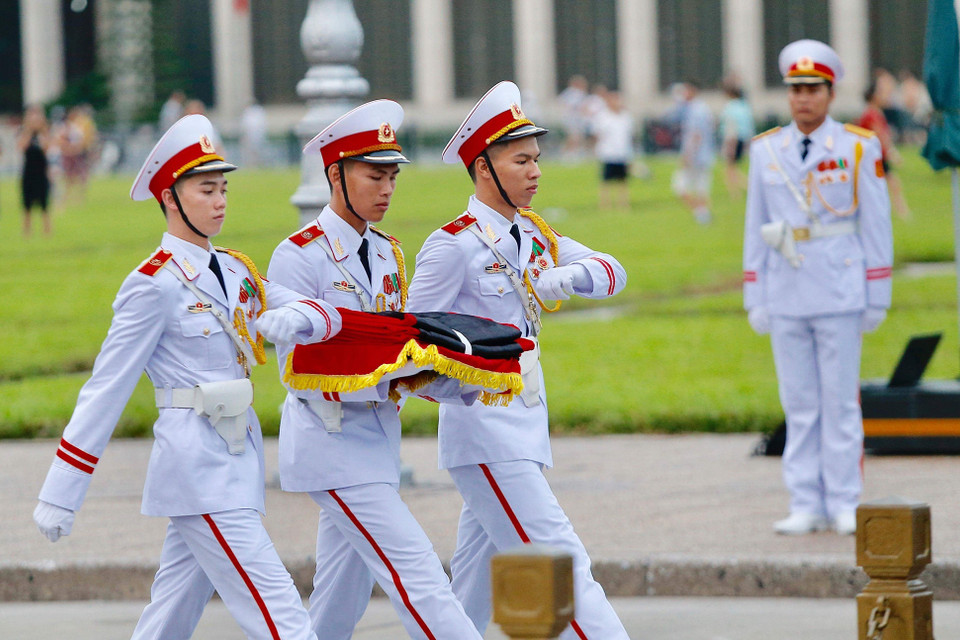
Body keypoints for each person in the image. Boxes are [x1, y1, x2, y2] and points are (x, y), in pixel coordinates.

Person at [32, 114, 343, 640]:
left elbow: (323, 310)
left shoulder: (235, 269)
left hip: (235, 461)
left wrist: (301, 319)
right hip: (198, 467)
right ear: (171, 199)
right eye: (206, 189)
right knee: (282, 615)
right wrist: (62, 491)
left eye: (223, 187)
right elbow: (106, 388)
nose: (220, 200)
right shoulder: (152, 284)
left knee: (170, 616)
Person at [407, 81, 630, 639]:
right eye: (521, 160)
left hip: (526, 424)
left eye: (537, 159)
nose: (535, 172)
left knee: (472, 593)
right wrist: (463, 388)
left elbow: (613, 272)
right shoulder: (452, 245)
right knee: (561, 565)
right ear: (484, 167)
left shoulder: (532, 233)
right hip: (485, 430)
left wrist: (571, 274)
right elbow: (410, 346)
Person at [266, 100, 484, 640]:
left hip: (378, 439)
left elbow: (400, 347)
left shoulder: (387, 252)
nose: (387, 188)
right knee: (419, 574)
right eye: (374, 175)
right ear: (335, 174)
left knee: (339, 601)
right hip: (331, 439)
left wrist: (458, 377)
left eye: (392, 176)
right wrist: (388, 362)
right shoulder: (299, 255)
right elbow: (298, 364)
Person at [743, 40, 893, 536]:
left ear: (830, 93)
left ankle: (846, 499)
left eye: (813, 89)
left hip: (839, 284)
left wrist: (878, 291)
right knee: (800, 403)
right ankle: (805, 500)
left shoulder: (856, 145)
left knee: (840, 402)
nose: (803, 99)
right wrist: (754, 292)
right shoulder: (767, 150)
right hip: (786, 287)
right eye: (796, 90)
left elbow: (875, 224)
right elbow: (756, 228)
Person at [859, 75, 911, 219]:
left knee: (890, 183)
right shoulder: (872, 114)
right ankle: (900, 211)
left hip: (876, 155)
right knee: (889, 183)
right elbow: (880, 135)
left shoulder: (873, 112)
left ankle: (899, 210)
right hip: (874, 156)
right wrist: (891, 152)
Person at [672, 81, 716, 224]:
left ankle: (701, 214)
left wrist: (688, 154)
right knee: (701, 188)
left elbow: (696, 134)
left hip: (696, 155)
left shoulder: (695, 110)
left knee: (680, 187)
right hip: (705, 154)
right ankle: (703, 214)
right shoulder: (702, 108)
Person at [592, 90, 635, 210]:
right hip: (608, 153)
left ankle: (623, 203)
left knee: (623, 180)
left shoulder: (626, 117)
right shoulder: (603, 117)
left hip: (622, 152)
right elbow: (597, 134)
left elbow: (629, 136)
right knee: (606, 180)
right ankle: (605, 204)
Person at [18, 104, 52, 236]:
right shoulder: (24, 132)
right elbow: (22, 146)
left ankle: (47, 231)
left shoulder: (44, 133)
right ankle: (27, 231)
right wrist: (28, 129)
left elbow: (47, 148)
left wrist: (42, 130)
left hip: (42, 171)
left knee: (45, 204)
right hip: (28, 172)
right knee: (27, 205)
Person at [719, 79, 755, 198]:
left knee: (730, 169)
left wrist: (730, 146)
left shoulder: (730, 107)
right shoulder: (745, 106)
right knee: (733, 168)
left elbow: (731, 127)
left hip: (733, 139)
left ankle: (736, 193)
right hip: (744, 139)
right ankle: (744, 189)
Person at [557, 75, 589, 159]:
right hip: (571, 119)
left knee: (577, 137)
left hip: (577, 119)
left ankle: (574, 152)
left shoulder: (579, 93)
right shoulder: (572, 93)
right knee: (572, 137)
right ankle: (568, 153)